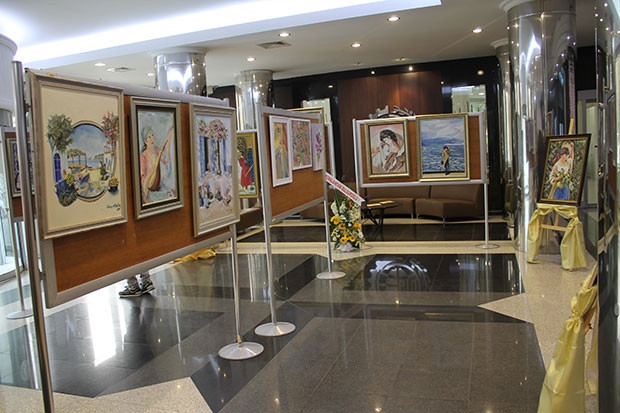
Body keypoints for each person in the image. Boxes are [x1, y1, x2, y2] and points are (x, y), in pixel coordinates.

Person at [140, 126, 172, 203]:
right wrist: (152, 171)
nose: (152, 139)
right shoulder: (143, 156)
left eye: (152, 135)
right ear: (145, 141)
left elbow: (166, 161)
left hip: (159, 186)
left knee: (170, 195)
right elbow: (143, 179)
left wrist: (168, 143)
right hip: (149, 190)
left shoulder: (157, 150)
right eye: (149, 137)